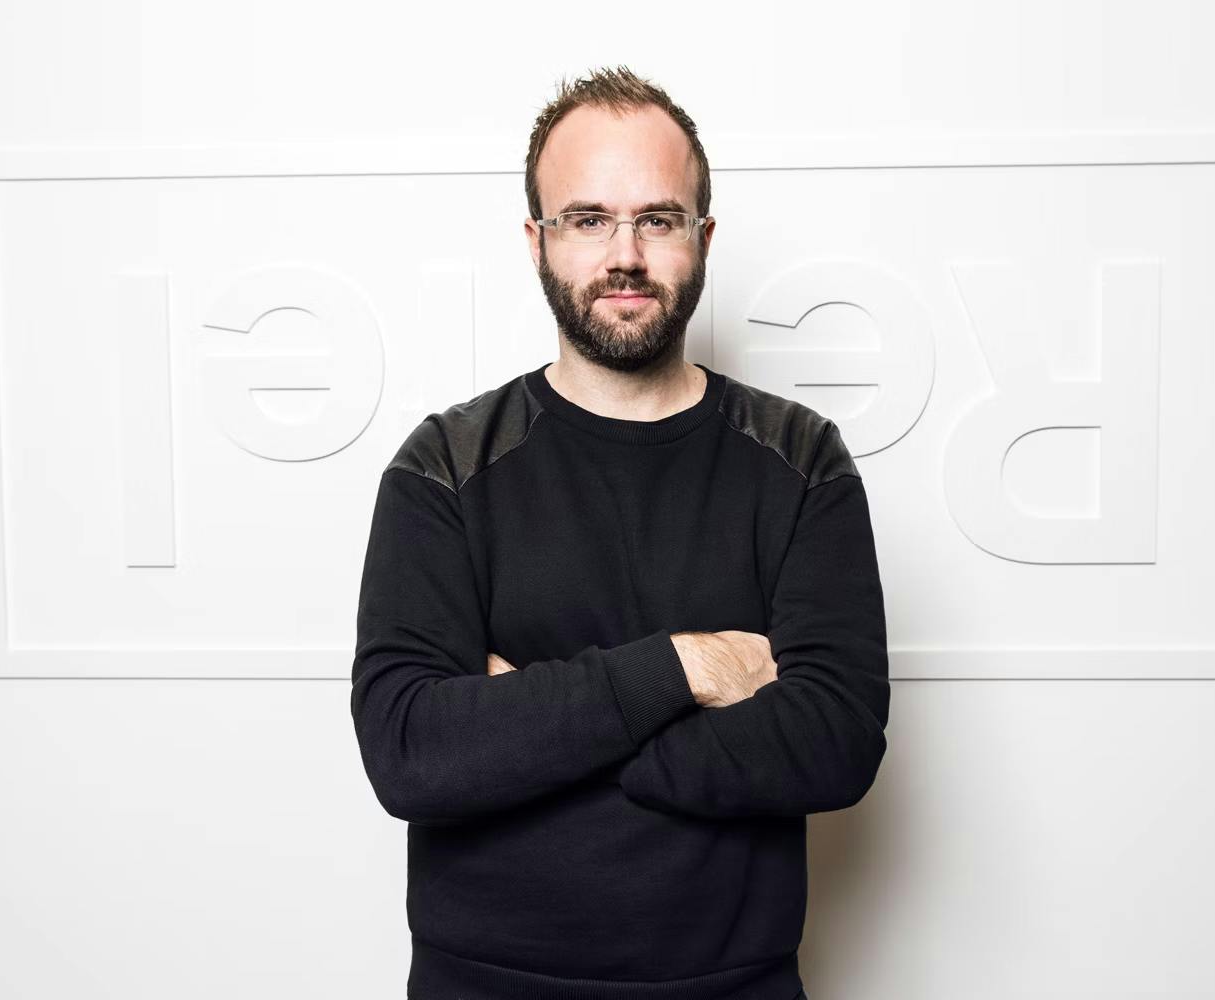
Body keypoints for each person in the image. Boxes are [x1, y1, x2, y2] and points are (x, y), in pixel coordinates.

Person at [350, 64, 888, 1000]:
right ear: (538, 241)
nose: (625, 254)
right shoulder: (444, 466)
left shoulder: (802, 460)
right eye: (589, 219)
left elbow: (836, 740)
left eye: (659, 219)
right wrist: (686, 667)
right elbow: (412, 753)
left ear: (703, 238)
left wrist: (539, 730)